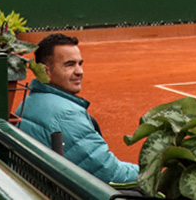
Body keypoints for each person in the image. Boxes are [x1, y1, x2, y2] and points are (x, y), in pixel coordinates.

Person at [17, 33, 139, 184]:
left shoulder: (28, 101)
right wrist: (151, 174)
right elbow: (110, 174)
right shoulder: (66, 115)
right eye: (70, 65)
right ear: (46, 71)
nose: (79, 71)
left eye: (80, 64)